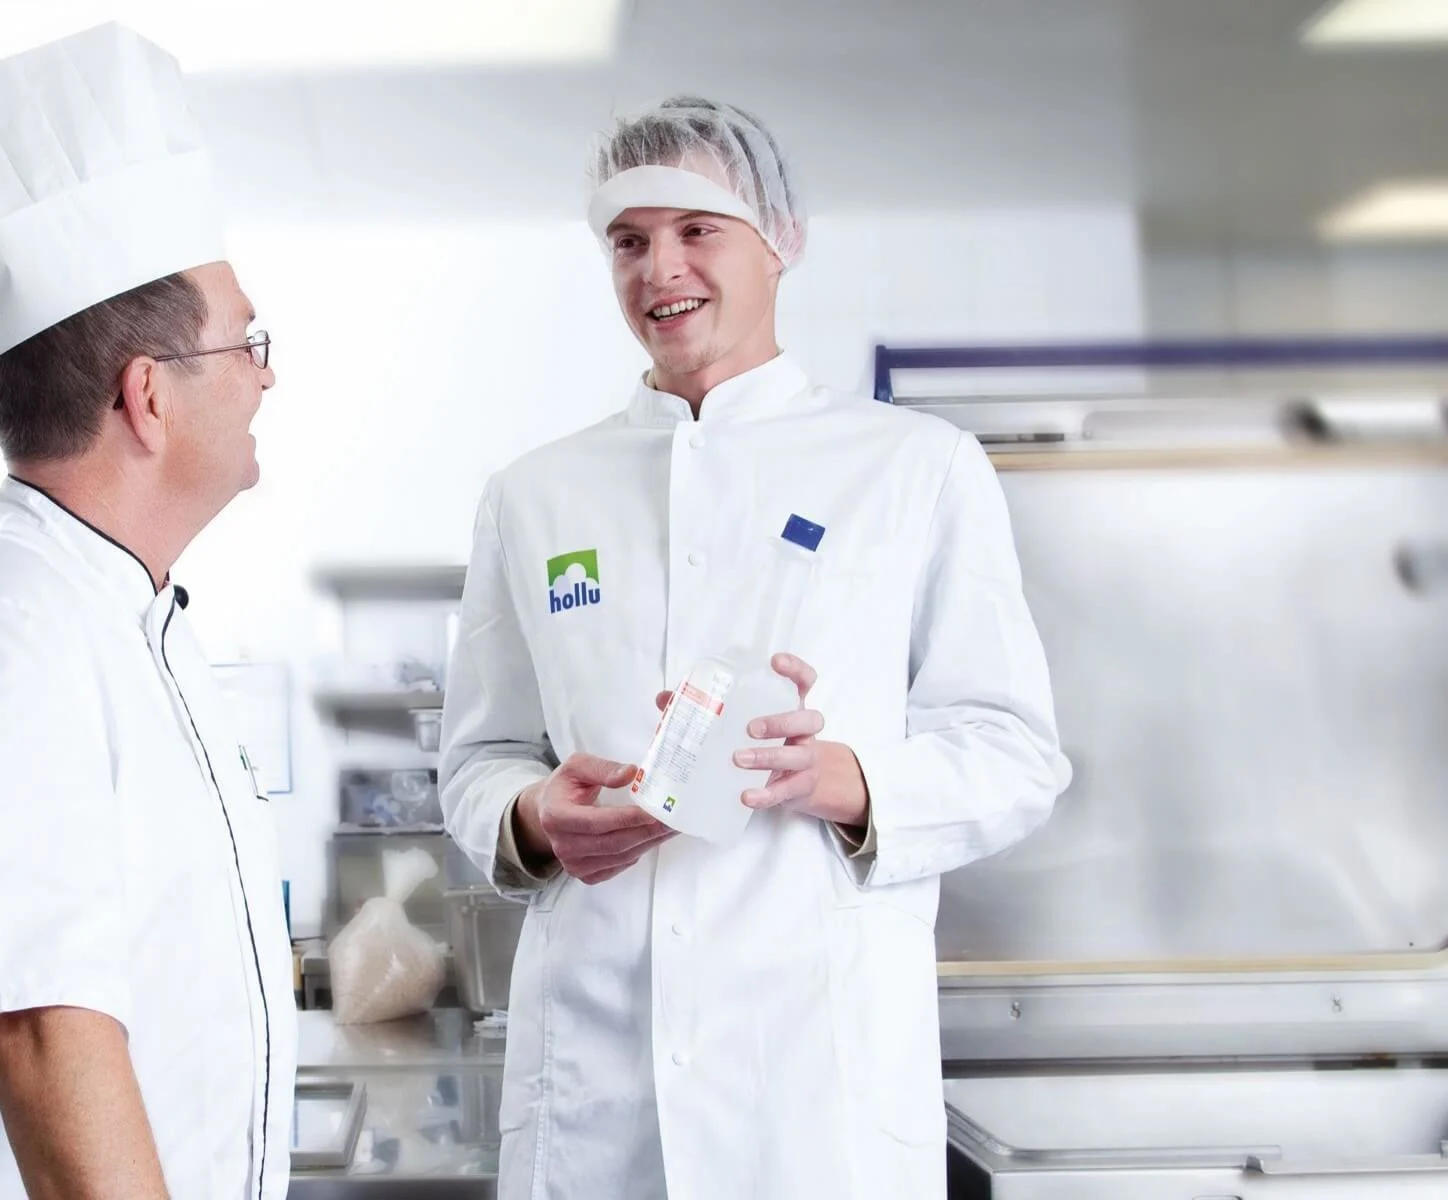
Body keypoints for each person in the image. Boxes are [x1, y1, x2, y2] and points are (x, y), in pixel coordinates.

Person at [439, 96, 1071, 1200]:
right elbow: (479, 754)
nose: (658, 268)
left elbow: (1015, 750)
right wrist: (535, 820)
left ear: (779, 240)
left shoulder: (914, 468)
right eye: (627, 241)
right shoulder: (533, 495)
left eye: (696, 230)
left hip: (812, 1099)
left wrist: (857, 782)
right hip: (600, 1090)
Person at [0, 24, 294, 1200]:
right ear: (148, 398)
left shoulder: (124, 618)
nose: (269, 375)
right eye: (247, 344)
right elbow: (41, 1035)